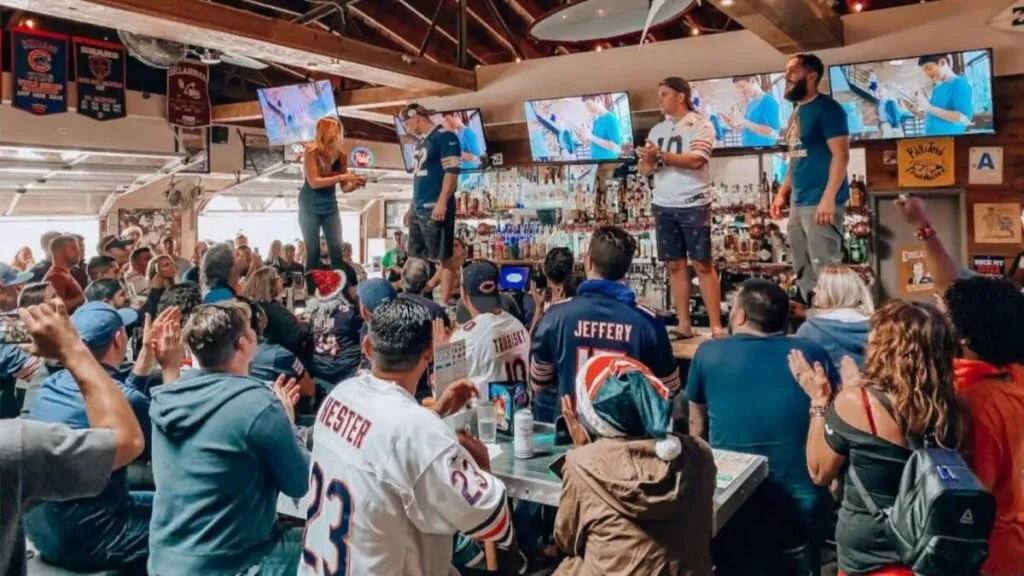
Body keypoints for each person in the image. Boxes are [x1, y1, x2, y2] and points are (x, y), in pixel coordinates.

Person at [300, 297, 517, 575]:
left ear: (367, 347)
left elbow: (385, 442)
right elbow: (493, 520)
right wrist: (484, 469)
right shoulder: (417, 431)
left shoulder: (340, 396)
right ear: (429, 352)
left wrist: (434, 413)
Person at [790, 299, 966, 576]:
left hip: (870, 557)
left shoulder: (857, 403)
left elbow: (819, 471)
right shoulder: (953, 406)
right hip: (933, 551)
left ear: (888, 350)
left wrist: (820, 400)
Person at [148, 301, 309, 576]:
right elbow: (300, 484)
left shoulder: (166, 397)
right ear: (243, 344)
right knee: (333, 543)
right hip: (233, 564)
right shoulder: (258, 405)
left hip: (164, 560)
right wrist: (288, 422)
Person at [687, 278, 835, 575]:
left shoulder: (708, 353)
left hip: (731, 501)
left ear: (740, 315)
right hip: (803, 503)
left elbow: (696, 425)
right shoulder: (811, 352)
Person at [0, 301, 145, 576]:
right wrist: (72, 350)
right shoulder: (13, 444)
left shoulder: (50, 385)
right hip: (89, 539)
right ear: (118, 338)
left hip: (47, 532)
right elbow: (126, 442)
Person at [554, 355, 716, 576]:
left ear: (592, 418)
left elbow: (566, 540)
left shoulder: (579, 466)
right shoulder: (700, 453)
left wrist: (583, 451)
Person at [530, 226, 680, 423]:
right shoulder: (648, 322)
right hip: (628, 442)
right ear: (627, 267)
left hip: (572, 437)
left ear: (588, 261)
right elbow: (670, 388)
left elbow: (539, 383)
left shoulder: (555, 316)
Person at [940, 277, 1024, 576]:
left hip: (988, 555)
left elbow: (971, 499)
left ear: (964, 336)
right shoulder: (1013, 377)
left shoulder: (974, 404)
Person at [638, 76, 723, 338]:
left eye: (664, 94)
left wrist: (659, 156)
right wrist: (646, 163)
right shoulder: (657, 131)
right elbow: (646, 169)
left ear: (680, 96)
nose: (659, 99)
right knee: (674, 265)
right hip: (663, 203)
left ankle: (716, 326)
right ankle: (684, 324)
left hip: (693, 202)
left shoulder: (701, 125)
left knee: (702, 264)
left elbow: (697, 159)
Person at [771, 53, 851, 303]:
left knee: (826, 266)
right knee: (802, 266)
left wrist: (828, 198)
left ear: (811, 76)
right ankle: (813, 315)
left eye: (792, 73)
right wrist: (782, 192)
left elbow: (841, 156)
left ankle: (833, 318)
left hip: (821, 201)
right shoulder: (796, 113)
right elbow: (795, 158)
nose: (786, 78)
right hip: (799, 201)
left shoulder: (829, 109)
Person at [400, 103, 462, 307]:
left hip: (435, 206)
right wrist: (411, 207)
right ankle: (414, 298)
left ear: (416, 116)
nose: (407, 127)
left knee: (444, 256)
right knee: (415, 257)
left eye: (407, 122)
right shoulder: (421, 143)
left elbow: (452, 172)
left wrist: (442, 201)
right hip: (419, 207)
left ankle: (443, 303)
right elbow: (418, 179)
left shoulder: (446, 137)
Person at [299, 117, 366, 295]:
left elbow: (344, 188)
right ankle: (312, 293)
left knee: (337, 249)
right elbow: (314, 182)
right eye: (335, 132)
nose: (337, 136)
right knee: (313, 250)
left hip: (330, 205)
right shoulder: (311, 151)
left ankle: (340, 291)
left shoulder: (341, 155)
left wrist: (354, 183)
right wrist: (341, 178)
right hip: (309, 205)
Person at [449, 261, 531, 398]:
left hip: (487, 416)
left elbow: (446, 393)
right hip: (522, 412)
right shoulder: (518, 326)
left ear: (464, 295)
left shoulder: (465, 336)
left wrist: (442, 350)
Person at [795, 265, 873, 367]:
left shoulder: (810, 331)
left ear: (834, 292)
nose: (814, 290)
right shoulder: (879, 329)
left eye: (819, 287)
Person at [306, 269, 364, 389]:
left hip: (320, 369)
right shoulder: (349, 314)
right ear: (342, 291)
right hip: (345, 370)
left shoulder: (312, 314)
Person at [242, 266, 312, 360]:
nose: (282, 281)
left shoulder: (255, 306)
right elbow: (296, 336)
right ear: (270, 283)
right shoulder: (272, 309)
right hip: (287, 356)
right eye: (279, 279)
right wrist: (307, 323)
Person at [914, 53, 973, 136]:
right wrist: (916, 112)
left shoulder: (959, 83)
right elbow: (935, 116)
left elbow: (964, 119)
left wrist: (929, 108)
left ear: (942, 62)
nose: (927, 74)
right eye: (925, 71)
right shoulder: (937, 88)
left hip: (949, 142)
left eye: (929, 68)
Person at [525, 247, 576, 332]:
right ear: (571, 274)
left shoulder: (530, 300)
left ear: (544, 270)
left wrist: (539, 312)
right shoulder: (581, 302)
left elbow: (532, 342)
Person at [731, 76, 781, 147]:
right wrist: (736, 125)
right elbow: (748, 127)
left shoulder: (768, 101)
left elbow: (774, 133)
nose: (741, 90)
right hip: (748, 151)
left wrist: (743, 121)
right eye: (738, 88)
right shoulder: (750, 105)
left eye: (742, 86)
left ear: (752, 81)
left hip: (762, 153)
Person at [43, 234, 85, 313]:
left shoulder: (64, 273)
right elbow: (56, 309)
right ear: (60, 252)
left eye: (78, 248)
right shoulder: (56, 277)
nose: (78, 252)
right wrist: (80, 298)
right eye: (73, 248)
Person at [581, 94, 623, 161]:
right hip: (595, 161)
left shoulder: (610, 118)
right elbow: (595, 141)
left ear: (597, 100)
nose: (588, 108)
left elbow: (616, 148)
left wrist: (591, 137)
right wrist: (587, 140)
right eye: (586, 105)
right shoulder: (596, 120)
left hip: (607, 164)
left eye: (588, 104)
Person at [142, 254, 178, 321]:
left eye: (172, 263)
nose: (172, 267)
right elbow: (148, 315)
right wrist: (155, 291)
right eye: (166, 265)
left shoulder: (176, 289)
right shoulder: (148, 294)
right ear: (156, 271)